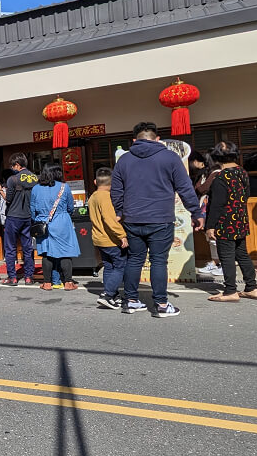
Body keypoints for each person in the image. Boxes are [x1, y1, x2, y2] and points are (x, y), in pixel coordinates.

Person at [111, 121, 204, 318]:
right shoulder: (170, 157)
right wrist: (196, 213)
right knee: (159, 261)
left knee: (134, 260)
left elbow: (116, 191)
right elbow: (185, 187)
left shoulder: (124, 160)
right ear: (158, 139)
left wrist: (119, 211)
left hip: (132, 218)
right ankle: (161, 304)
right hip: (161, 219)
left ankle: (131, 301)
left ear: (134, 140)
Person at [204, 143, 257, 302]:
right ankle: (252, 288)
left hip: (225, 222)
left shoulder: (221, 177)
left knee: (227, 256)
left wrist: (210, 226)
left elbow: (216, 204)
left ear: (216, 158)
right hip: (241, 219)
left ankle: (230, 291)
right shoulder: (242, 172)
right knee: (242, 254)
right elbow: (247, 194)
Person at [31, 163, 81, 291]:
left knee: (46, 253)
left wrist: (38, 220)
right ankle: (68, 282)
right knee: (65, 253)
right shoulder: (64, 187)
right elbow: (70, 207)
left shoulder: (36, 189)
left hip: (43, 222)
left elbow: (32, 209)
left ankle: (47, 283)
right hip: (62, 222)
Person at [89, 168, 129, 309]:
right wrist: (122, 235)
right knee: (120, 266)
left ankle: (113, 295)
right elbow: (110, 219)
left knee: (108, 266)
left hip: (99, 238)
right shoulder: (105, 197)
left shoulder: (93, 196)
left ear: (96, 182)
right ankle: (108, 294)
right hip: (110, 239)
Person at [0, 153, 38, 285]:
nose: (12, 168)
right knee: (28, 247)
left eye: (13, 165)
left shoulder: (12, 179)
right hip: (28, 216)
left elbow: (8, 199)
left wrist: (0, 191)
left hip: (13, 217)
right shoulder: (34, 178)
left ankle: (12, 277)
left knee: (10, 248)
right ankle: (28, 276)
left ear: (17, 165)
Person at [190, 150, 222, 277]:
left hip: (211, 209)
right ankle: (215, 262)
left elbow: (202, 188)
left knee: (215, 237)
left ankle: (223, 264)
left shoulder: (215, 173)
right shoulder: (207, 174)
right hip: (206, 208)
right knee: (210, 238)